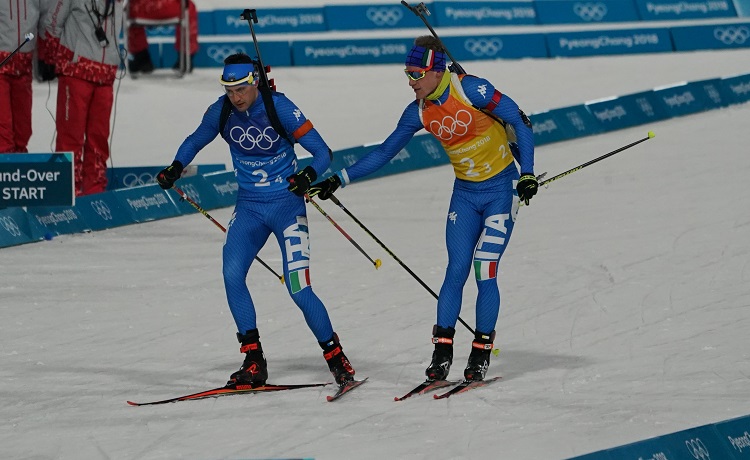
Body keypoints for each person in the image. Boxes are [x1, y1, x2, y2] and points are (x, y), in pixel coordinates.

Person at [309, 36, 538, 382]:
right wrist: (339, 179)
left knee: (484, 268)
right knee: (456, 269)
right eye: (407, 74)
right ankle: (442, 352)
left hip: (500, 193)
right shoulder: (418, 110)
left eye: (416, 74)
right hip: (464, 195)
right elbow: (385, 152)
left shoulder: (472, 90)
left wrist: (528, 174)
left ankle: (480, 353)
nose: (410, 82)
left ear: (435, 71)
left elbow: (520, 122)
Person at [155, 52, 357, 387]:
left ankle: (335, 357)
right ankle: (253, 360)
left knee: (299, 288)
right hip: (249, 207)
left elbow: (323, 153)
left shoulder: (280, 107)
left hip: (286, 207)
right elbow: (195, 140)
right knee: (231, 274)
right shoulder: (220, 111)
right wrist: (176, 167)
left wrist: (307, 175)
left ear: (254, 82)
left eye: (240, 89)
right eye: (228, 90)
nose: (234, 97)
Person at [40, 0, 124, 196]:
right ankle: (68, 191)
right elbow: (52, 23)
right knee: (71, 137)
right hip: (75, 70)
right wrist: (54, 57)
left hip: (105, 74)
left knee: (99, 139)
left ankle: (94, 190)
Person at [0, 0, 41, 153]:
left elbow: (47, 16)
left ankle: (19, 168)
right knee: (3, 128)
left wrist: (46, 53)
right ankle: (5, 170)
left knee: (22, 128)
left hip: (23, 65)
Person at [126, 0, 198, 74]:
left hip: (141, 8)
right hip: (169, 7)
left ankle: (140, 58)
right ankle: (186, 58)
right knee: (188, 7)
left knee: (127, 9)